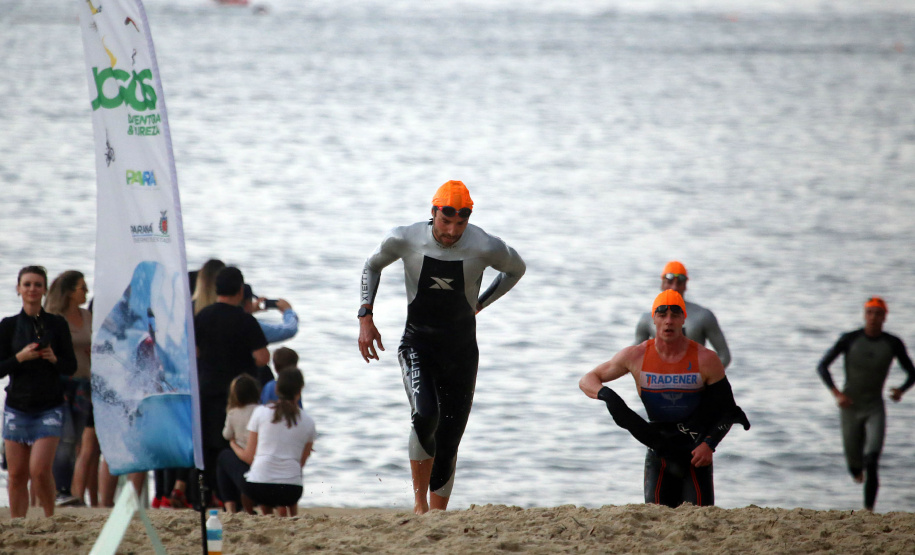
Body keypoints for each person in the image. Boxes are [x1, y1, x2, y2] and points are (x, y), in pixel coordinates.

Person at [358, 180, 526, 514]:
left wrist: (481, 303)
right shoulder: (404, 239)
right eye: (445, 222)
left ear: (468, 219)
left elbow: (516, 269)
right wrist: (366, 316)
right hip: (417, 344)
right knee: (425, 415)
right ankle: (420, 507)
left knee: (449, 441)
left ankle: (438, 517)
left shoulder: (485, 245)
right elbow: (372, 265)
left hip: (462, 352)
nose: (451, 231)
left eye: (460, 224)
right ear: (433, 212)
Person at [580, 290, 748, 508]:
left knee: (701, 524)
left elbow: (729, 410)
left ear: (684, 318)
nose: (669, 321)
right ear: (653, 319)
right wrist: (608, 396)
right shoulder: (636, 356)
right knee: (657, 523)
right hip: (658, 451)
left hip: (696, 454)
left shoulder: (706, 359)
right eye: (662, 314)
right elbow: (587, 379)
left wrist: (710, 444)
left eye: (675, 314)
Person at [816, 296, 915, 512]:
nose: (873, 317)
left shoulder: (892, 343)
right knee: (855, 467)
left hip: (874, 407)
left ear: (885, 317)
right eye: (869, 312)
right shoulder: (849, 339)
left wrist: (901, 390)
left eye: (878, 313)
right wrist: (836, 394)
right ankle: (854, 470)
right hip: (849, 406)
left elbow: (912, 373)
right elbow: (822, 366)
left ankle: (868, 510)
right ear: (864, 315)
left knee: (872, 459)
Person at [0, 266, 78, 518]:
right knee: (16, 474)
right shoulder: (8, 325)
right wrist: (19, 358)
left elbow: (72, 367)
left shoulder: (56, 324)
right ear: (18, 289)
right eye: (27, 284)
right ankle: (18, 523)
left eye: (37, 284)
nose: (32, 289)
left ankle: (49, 517)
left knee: (39, 470)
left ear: (45, 289)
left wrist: (54, 358)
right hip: (17, 407)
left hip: (49, 406)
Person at [195, 266, 269, 504]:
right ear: (240, 290)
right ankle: (235, 498)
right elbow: (262, 357)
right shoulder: (245, 321)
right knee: (236, 443)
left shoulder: (202, 317)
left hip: (207, 389)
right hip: (238, 395)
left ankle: (208, 495)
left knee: (209, 445)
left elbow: (194, 351)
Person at [227, 368, 315, 516]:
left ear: (276, 388)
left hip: (258, 489)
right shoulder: (308, 421)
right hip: (291, 491)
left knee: (226, 457)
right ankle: (282, 513)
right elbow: (301, 463)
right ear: (300, 391)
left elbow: (249, 456)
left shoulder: (261, 412)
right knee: (283, 472)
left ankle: (238, 508)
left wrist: (233, 444)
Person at [44, 270, 97, 507]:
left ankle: (68, 491)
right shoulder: (54, 317)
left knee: (75, 439)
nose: (86, 292)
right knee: (62, 437)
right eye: (82, 288)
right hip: (61, 382)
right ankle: (60, 490)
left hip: (84, 382)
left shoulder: (87, 316)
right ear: (69, 292)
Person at [634, 261, 731, 369]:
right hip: (661, 382)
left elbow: (724, 355)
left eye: (679, 283)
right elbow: (633, 356)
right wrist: (644, 379)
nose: (674, 287)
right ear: (662, 284)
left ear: (685, 285)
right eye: (670, 282)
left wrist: (707, 379)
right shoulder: (646, 320)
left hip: (695, 381)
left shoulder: (703, 316)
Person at [216, 374, 262, 514]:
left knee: (223, 457)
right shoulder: (261, 410)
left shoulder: (233, 413)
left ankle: (230, 506)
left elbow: (226, 435)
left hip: (244, 459)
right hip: (262, 459)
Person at [242, 284, 299, 386]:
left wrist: (250, 310)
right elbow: (289, 330)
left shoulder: (218, 319)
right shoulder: (252, 326)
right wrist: (288, 311)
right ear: (247, 303)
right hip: (250, 383)